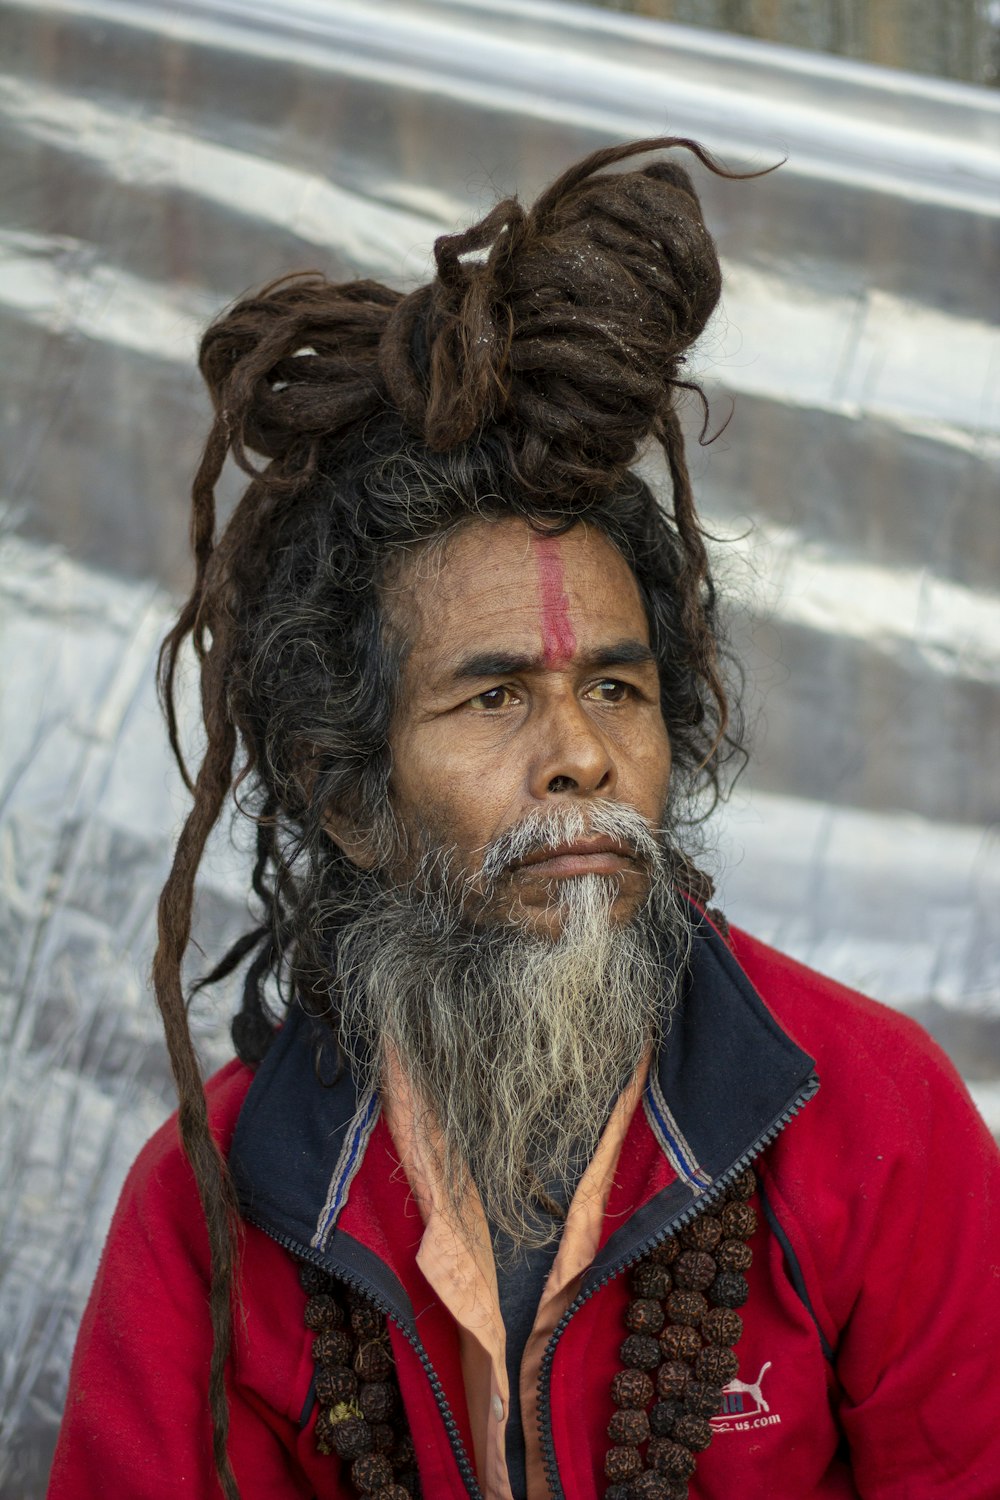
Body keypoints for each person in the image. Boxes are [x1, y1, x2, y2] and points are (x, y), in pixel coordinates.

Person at [48, 137, 1000, 1500]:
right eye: (495, 699)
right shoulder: (217, 1212)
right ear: (350, 802)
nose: (582, 757)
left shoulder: (879, 1126)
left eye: (617, 686)